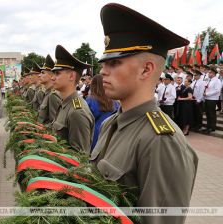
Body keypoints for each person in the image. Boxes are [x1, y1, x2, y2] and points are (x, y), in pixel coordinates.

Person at [90, 4, 198, 224]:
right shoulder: (111, 122)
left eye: (114, 62)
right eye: (104, 63)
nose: (103, 71)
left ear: (146, 70)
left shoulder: (160, 141)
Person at [51, 45, 94, 154]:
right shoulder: (65, 103)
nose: (53, 77)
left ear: (71, 76)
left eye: (57, 73)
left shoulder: (77, 111)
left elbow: (80, 161)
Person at [86, 74, 119, 151]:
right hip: (110, 137)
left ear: (93, 85)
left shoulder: (90, 100)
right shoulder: (115, 102)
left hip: (95, 138)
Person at [37, 54, 62, 125]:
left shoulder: (53, 95)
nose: (39, 75)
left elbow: (54, 123)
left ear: (51, 75)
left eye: (43, 73)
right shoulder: (47, 93)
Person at [202, 66, 222, 133]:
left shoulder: (217, 80)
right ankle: (208, 126)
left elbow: (217, 90)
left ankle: (212, 127)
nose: (208, 74)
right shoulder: (209, 80)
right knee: (207, 113)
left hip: (212, 99)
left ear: (213, 73)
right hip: (207, 98)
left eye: (210, 73)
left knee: (211, 113)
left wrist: (207, 94)